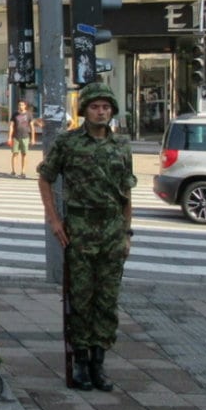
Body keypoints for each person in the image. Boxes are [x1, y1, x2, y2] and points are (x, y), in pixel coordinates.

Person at [37, 82, 136, 392]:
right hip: (79, 229)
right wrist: (54, 220)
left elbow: (127, 193)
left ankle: (98, 363)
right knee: (81, 298)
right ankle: (80, 361)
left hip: (111, 230)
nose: (101, 111)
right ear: (85, 111)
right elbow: (45, 178)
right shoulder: (68, 143)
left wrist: (127, 233)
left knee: (107, 300)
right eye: (95, 107)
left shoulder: (121, 146)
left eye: (106, 107)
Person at [7, 100, 36, 178]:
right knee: (15, 154)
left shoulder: (29, 114)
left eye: (22, 105)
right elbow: (11, 126)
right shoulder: (15, 114)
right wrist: (9, 137)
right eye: (19, 105)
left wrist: (33, 138)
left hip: (25, 137)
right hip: (15, 137)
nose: (21, 106)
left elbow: (32, 127)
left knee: (24, 154)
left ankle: (23, 172)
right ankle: (13, 171)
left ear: (25, 106)